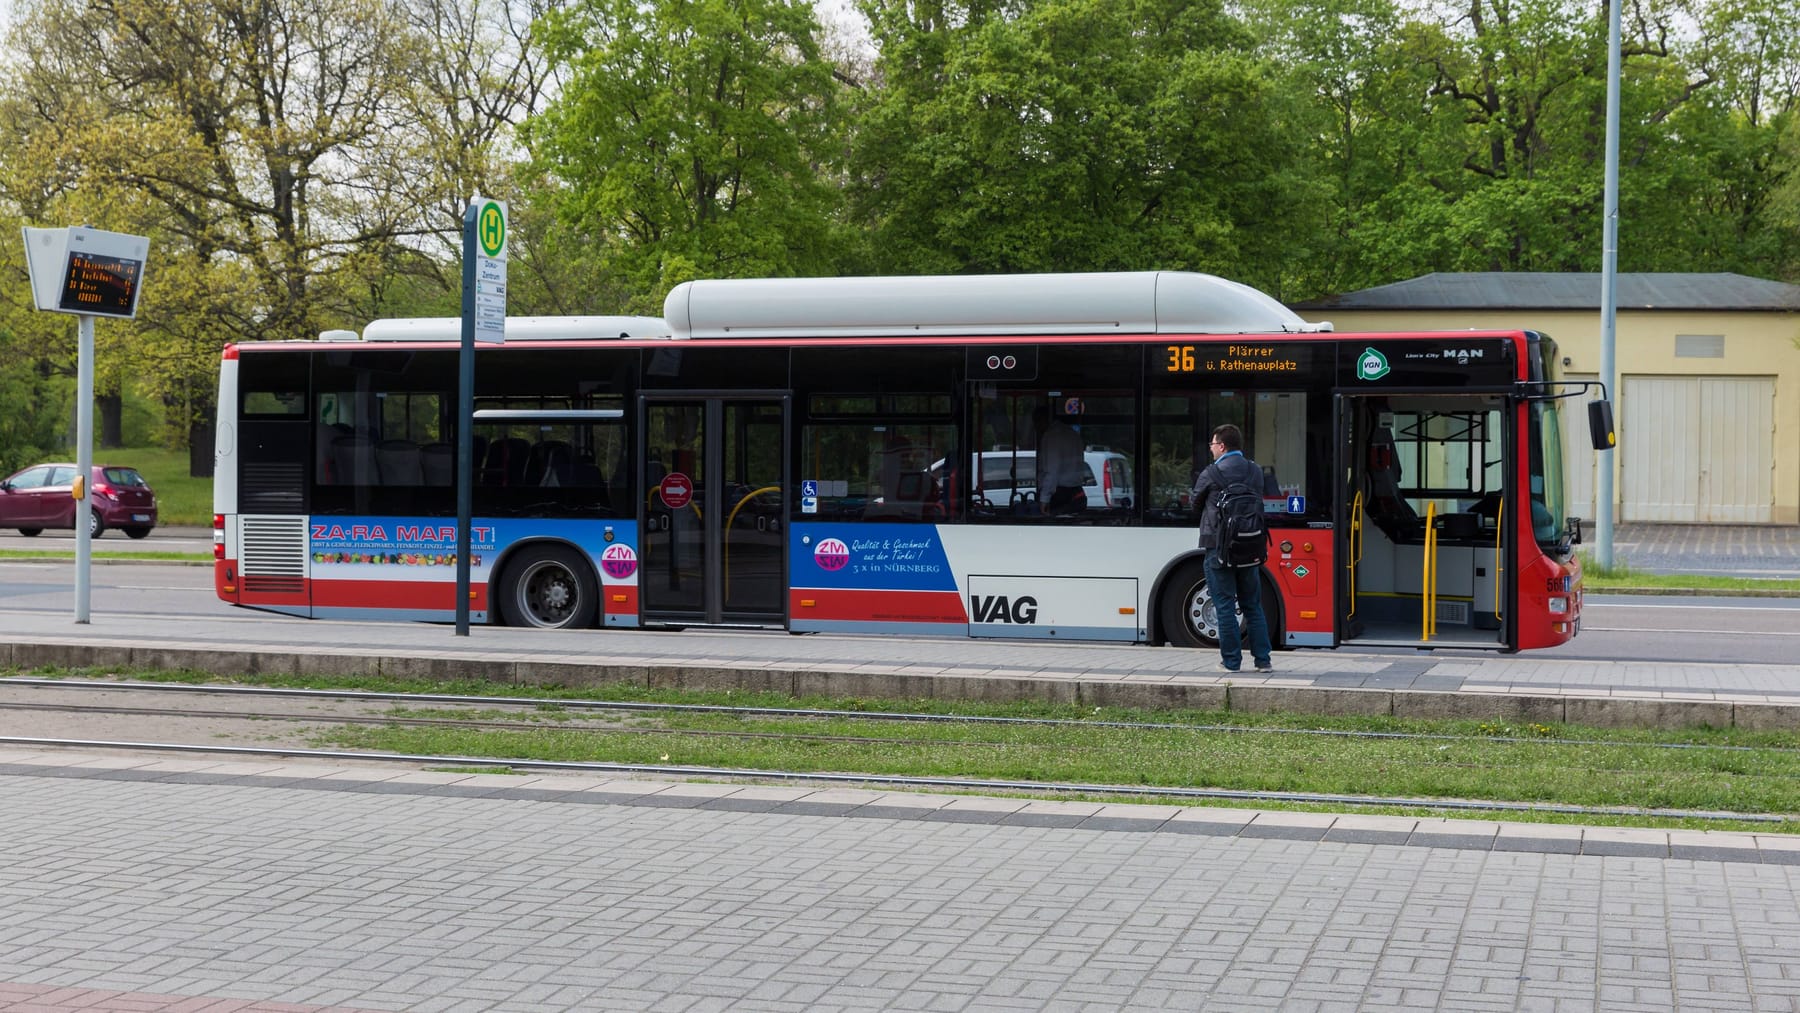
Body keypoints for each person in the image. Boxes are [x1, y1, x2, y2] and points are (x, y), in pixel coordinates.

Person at [1192, 423, 1273, 673]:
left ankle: (1231, 662)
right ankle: (1263, 661)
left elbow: (1195, 503)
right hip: (1251, 545)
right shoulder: (1255, 471)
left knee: (1225, 605)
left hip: (1219, 547)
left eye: (1213, 444)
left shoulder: (1212, 472)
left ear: (1222, 446)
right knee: (1252, 605)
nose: (1211, 449)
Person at [1032, 406, 1085, 514]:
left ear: (1042, 420)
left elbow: (1052, 471)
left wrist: (1044, 499)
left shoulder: (1051, 436)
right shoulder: (1072, 434)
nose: (1037, 428)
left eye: (1037, 424)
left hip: (1060, 495)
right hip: (1077, 492)